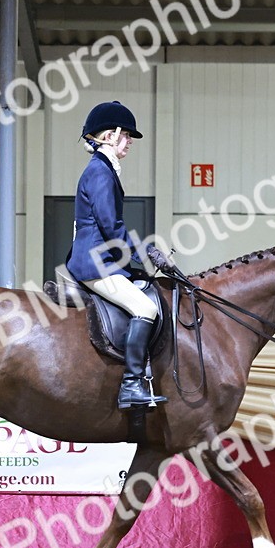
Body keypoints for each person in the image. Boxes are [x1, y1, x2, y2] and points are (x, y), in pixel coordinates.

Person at [64, 101, 166, 411]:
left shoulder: (103, 169)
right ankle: (132, 384)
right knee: (145, 309)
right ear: (111, 135)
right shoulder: (100, 173)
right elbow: (111, 226)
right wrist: (143, 254)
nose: (131, 142)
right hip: (95, 265)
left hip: (100, 260)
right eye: (127, 136)